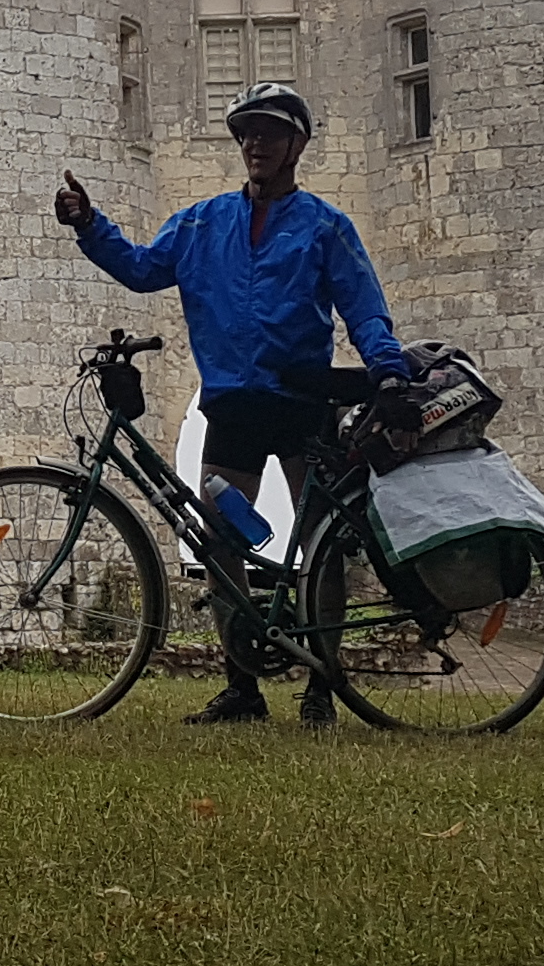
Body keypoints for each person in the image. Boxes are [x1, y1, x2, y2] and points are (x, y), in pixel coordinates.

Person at [53, 81, 409, 724]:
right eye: (247, 132)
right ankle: (243, 686)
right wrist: (88, 224)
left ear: (297, 143)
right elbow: (139, 269)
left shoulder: (326, 226)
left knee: (321, 550)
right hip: (233, 406)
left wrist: (387, 369)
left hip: (304, 404)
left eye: (270, 132)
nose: (256, 143)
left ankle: (322, 685)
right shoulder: (201, 223)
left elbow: (364, 308)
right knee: (221, 548)